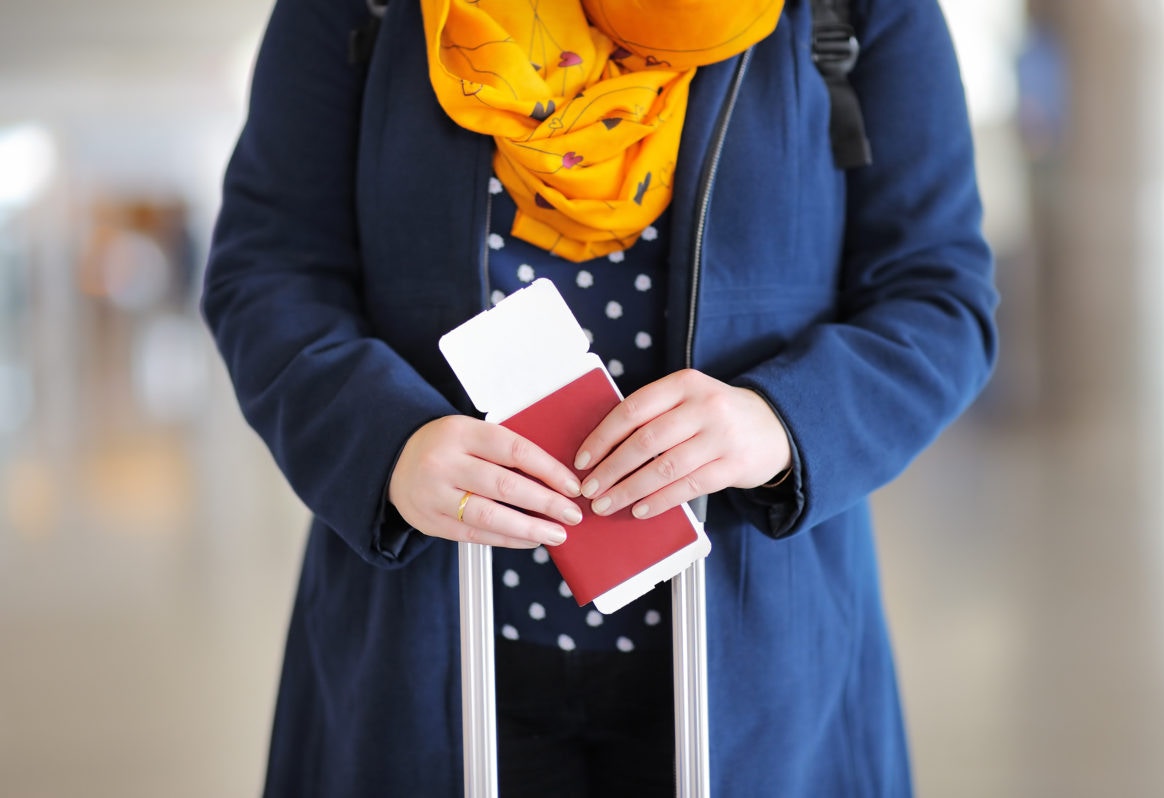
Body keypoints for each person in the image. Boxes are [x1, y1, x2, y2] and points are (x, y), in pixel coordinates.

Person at [202, 0, 998, 795]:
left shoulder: (857, 11)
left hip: (762, 662)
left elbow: (939, 297)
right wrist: (384, 444)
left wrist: (782, 422)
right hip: (422, 649)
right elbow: (269, 270)